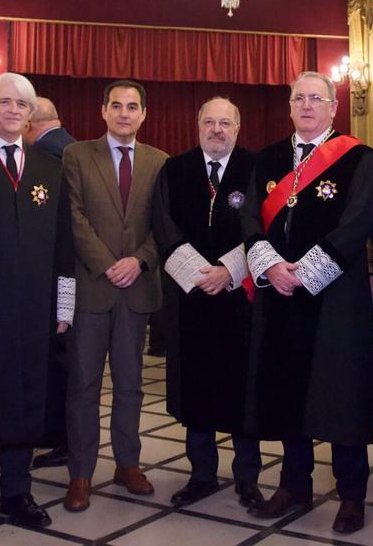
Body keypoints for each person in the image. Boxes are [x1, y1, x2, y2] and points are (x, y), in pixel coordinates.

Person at [241, 71, 373, 535]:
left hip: (336, 299)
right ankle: (293, 484)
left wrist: (306, 274)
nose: (305, 105)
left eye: (315, 98)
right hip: (280, 298)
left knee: (341, 393)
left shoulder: (359, 157)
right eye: (298, 98)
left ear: (333, 107)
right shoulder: (269, 158)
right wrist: (272, 267)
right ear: (290, 106)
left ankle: (352, 494)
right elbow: (249, 224)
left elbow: (359, 221)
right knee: (286, 391)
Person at [0, 73, 74, 536]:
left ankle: (17, 493)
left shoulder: (50, 166)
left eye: (21, 104)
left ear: (31, 115)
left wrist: (65, 306)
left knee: (27, 400)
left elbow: (65, 242)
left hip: (35, 310)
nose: (12, 110)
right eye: (3, 102)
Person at [150, 97, 264, 510]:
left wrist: (228, 272)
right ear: (197, 125)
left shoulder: (255, 168)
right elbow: (163, 226)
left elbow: (263, 227)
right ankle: (200, 475)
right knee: (195, 385)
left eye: (225, 123)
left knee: (243, 388)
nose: (217, 130)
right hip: (191, 300)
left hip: (241, 301)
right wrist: (202, 275)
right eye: (209, 122)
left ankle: (248, 477)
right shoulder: (174, 169)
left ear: (238, 127)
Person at [62, 80, 168, 512]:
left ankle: (128, 464)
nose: (125, 113)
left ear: (144, 114)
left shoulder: (160, 162)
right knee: (83, 386)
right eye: (117, 106)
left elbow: (164, 225)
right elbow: (74, 216)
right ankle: (81, 473)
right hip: (92, 287)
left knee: (131, 386)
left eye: (133, 107)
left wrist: (138, 261)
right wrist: (108, 263)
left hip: (136, 289)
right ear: (103, 110)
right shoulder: (76, 155)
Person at [24, 95, 77, 470]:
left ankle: (57, 437)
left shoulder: (45, 156)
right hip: (71, 274)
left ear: (29, 124)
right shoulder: (73, 147)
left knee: (55, 364)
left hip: (49, 272)